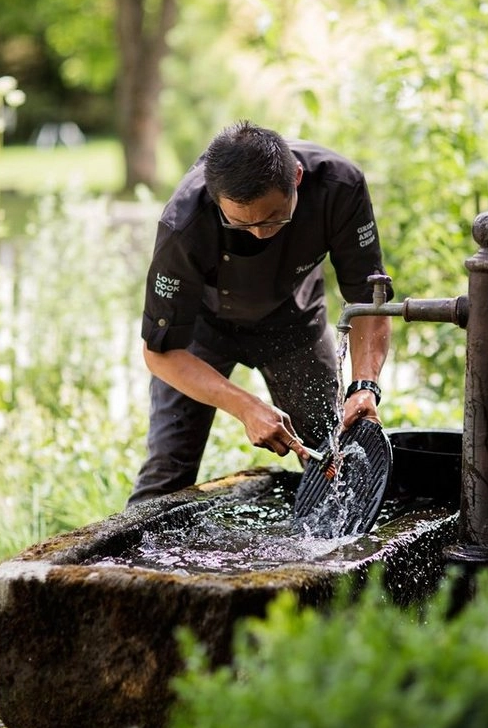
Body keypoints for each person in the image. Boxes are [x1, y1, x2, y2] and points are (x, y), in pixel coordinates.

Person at [127, 120, 392, 505]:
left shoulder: (340, 186)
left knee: (334, 457)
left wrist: (365, 385)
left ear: (297, 178)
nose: (258, 234)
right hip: (201, 333)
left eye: (273, 219)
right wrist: (246, 406)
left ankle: (348, 560)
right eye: (240, 223)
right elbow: (160, 352)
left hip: (294, 322)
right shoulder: (184, 221)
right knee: (168, 469)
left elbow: (368, 301)